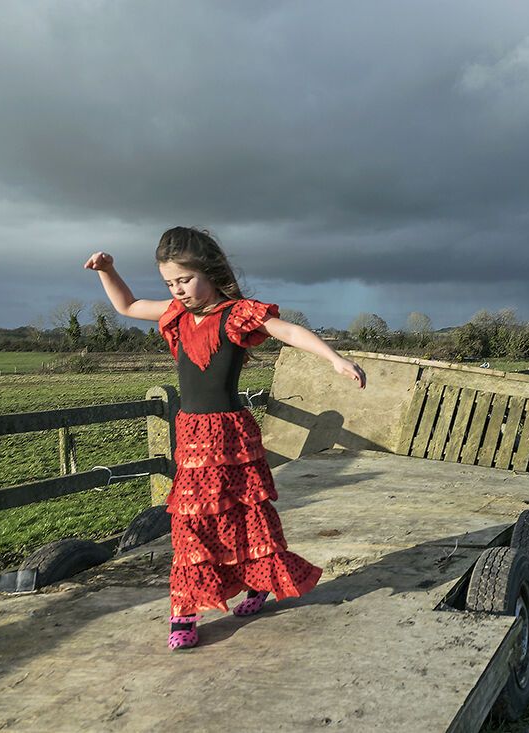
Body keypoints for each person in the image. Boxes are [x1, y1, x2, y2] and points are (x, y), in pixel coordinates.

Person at [85, 226, 366, 650]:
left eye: (184, 280)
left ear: (211, 271)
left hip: (231, 434)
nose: (177, 290)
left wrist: (335, 359)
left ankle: (258, 584)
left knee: (245, 515)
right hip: (192, 433)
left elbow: (287, 331)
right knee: (189, 522)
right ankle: (184, 610)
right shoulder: (175, 314)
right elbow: (127, 305)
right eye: (169, 283)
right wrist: (107, 270)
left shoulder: (237, 314)